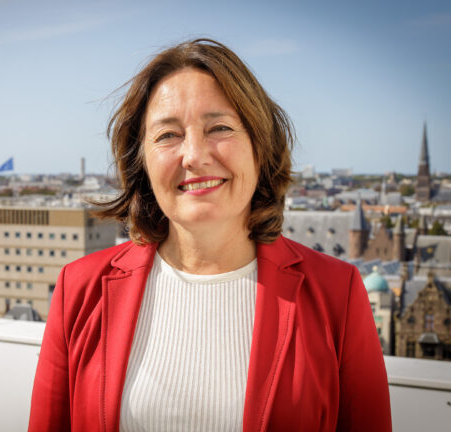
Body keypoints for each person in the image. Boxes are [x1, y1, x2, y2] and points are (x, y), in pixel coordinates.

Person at [28, 38, 391, 432]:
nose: (194, 155)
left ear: (260, 146)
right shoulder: (80, 289)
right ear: (142, 162)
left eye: (219, 128)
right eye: (168, 135)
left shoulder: (338, 293)